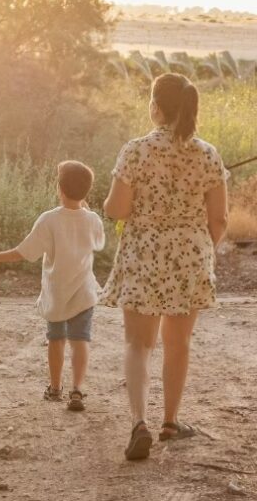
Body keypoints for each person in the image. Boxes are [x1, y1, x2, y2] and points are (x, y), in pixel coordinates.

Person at [99, 73, 229, 461]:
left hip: (143, 253)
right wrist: (201, 249)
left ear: (156, 106)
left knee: (138, 344)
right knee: (179, 343)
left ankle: (139, 422)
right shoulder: (208, 154)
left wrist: (110, 208)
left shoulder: (135, 151)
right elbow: (219, 219)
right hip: (189, 256)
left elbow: (118, 208)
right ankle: (170, 422)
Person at [0, 160, 105, 412]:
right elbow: (99, 244)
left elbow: (25, 252)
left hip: (56, 293)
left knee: (56, 339)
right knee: (81, 340)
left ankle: (56, 388)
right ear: (87, 191)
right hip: (83, 291)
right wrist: (86, 211)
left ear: (59, 188)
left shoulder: (49, 220)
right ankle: (77, 390)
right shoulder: (93, 220)